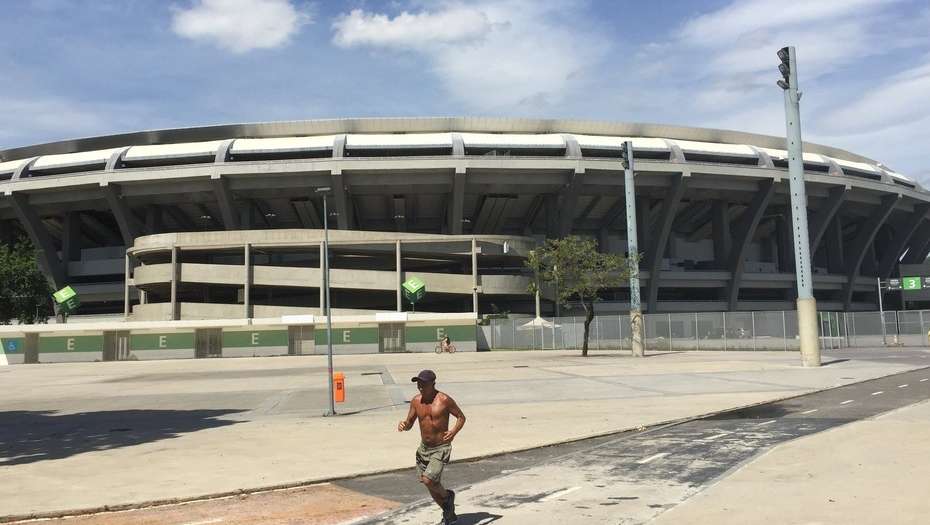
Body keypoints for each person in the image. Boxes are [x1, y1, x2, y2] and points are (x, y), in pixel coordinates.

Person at [397, 369, 466, 525]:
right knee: (429, 485)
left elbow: (461, 417)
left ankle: (448, 496)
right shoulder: (416, 401)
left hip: (440, 447)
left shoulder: (444, 400)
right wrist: (403, 425)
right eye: (418, 383)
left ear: (432, 384)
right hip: (424, 449)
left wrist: (453, 431)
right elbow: (409, 423)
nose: (420, 386)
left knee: (429, 480)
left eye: (423, 384)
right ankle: (449, 514)